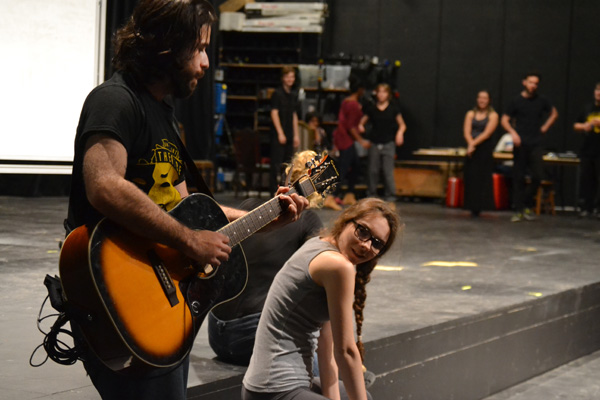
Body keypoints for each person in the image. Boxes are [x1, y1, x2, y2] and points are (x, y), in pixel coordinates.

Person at [64, 1, 308, 399]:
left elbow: (185, 206)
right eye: (199, 49)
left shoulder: (163, 114)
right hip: (119, 290)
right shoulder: (115, 100)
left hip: (164, 299)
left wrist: (266, 217)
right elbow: (105, 186)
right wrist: (188, 240)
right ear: (167, 48)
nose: (206, 63)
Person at [242, 198, 401, 400]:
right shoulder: (338, 266)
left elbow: (327, 348)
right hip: (274, 388)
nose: (366, 245)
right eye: (362, 231)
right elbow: (347, 352)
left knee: (362, 395)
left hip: (268, 385)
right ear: (346, 222)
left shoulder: (321, 244)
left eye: (376, 243)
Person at [208, 150, 324, 365]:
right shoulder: (309, 221)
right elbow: (317, 283)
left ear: (286, 177)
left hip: (216, 332)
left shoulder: (249, 206)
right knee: (321, 357)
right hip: (251, 336)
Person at [501, 72, 558, 222]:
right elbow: (505, 120)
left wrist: (545, 127)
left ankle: (525, 202)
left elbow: (554, 113)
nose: (533, 86)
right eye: (531, 82)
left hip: (535, 143)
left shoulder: (541, 100)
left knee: (538, 175)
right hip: (521, 142)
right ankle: (519, 209)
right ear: (524, 82)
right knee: (518, 177)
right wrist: (513, 133)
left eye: (536, 83)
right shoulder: (516, 101)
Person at [358, 83, 406, 202]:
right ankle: (371, 193)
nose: (381, 95)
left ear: (388, 94)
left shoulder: (393, 108)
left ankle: (391, 194)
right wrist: (361, 126)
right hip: (375, 142)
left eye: (384, 92)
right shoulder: (372, 109)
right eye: (379, 92)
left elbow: (402, 125)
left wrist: (399, 134)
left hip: (388, 142)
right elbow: (362, 122)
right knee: (373, 170)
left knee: (387, 170)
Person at [332, 76, 370, 207]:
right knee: (343, 168)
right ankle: (332, 196)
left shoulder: (346, 101)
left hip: (343, 138)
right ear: (360, 90)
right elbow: (350, 126)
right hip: (346, 140)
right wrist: (361, 141)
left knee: (355, 166)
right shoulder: (353, 104)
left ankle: (349, 193)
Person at [462, 90, 499, 216]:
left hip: (484, 149)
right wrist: (470, 143)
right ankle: (471, 206)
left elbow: (487, 133)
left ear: (489, 100)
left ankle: (481, 205)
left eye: (485, 98)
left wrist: (473, 144)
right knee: (471, 177)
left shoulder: (493, 115)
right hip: (471, 149)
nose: (482, 100)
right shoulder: (470, 113)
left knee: (482, 178)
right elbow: (467, 131)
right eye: (480, 98)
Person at [270, 66, 301, 193]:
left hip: (289, 132)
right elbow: (274, 113)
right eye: (288, 76)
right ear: (283, 78)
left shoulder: (293, 95)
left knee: (288, 165)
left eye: (292, 76)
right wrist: (280, 133)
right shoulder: (277, 94)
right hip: (278, 134)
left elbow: (294, 115)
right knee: (276, 164)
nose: (290, 79)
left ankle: (284, 190)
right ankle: (273, 190)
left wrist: (296, 135)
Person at [573, 82, 600, 218]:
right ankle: (586, 207)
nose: (599, 93)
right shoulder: (587, 108)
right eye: (597, 90)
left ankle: (598, 208)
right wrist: (585, 126)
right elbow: (575, 125)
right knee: (587, 180)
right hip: (587, 150)